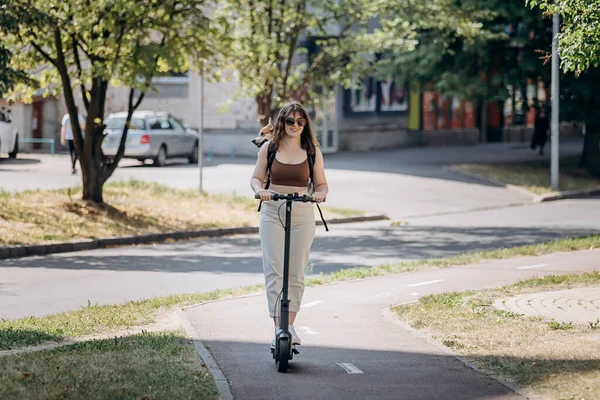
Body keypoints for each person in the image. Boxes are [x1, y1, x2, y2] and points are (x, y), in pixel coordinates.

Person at [250, 101, 328, 347]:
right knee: (274, 270)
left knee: (295, 272)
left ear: (305, 125)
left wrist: (320, 194)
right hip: (273, 210)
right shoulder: (269, 148)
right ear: (282, 122)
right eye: (290, 121)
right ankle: (278, 329)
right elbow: (255, 178)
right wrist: (260, 190)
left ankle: (290, 327)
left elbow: (322, 184)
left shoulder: (312, 150)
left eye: (301, 121)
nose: (296, 125)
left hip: (303, 211)